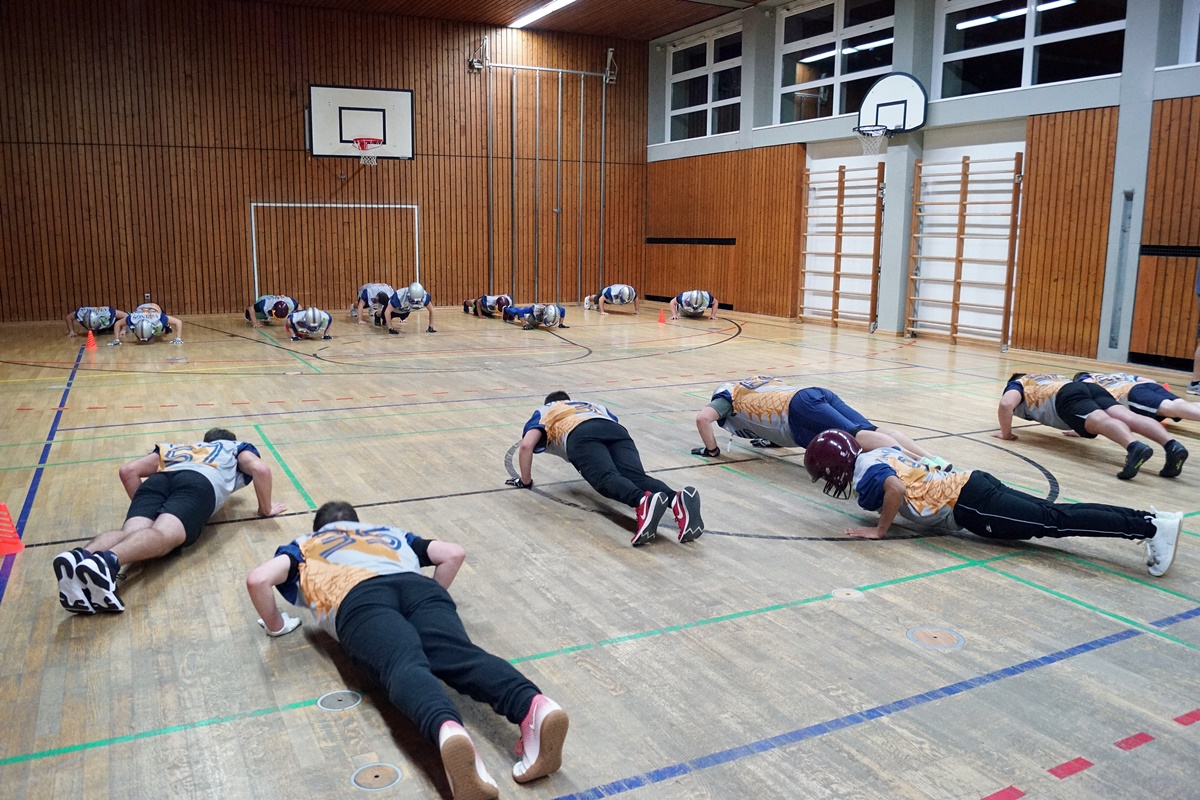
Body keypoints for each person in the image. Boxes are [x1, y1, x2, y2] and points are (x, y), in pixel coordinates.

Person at [246, 500, 569, 800]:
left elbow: (258, 580)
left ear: (319, 528)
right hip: (420, 590)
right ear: (356, 522)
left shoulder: (304, 544)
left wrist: (277, 625)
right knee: (462, 655)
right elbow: (453, 553)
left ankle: (447, 729)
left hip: (357, 598)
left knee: (403, 664)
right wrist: (427, 603)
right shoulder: (388, 533)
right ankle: (533, 706)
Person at [804, 429, 1183, 578]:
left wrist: (879, 530)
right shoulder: (876, 452)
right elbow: (890, 441)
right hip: (972, 482)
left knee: (1055, 521)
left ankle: (1150, 527)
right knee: (1055, 516)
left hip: (968, 503)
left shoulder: (866, 473)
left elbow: (895, 489)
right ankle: (1152, 521)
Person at [52, 428, 286, 615]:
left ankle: (80, 557)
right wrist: (265, 510)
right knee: (163, 536)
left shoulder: (178, 447)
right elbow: (261, 470)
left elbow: (128, 470)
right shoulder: (235, 447)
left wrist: (154, 516)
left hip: (157, 481)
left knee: (131, 533)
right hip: (198, 483)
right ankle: (107, 562)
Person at [510, 392, 703, 546]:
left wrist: (525, 481)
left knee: (605, 478)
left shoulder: (546, 410)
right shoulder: (590, 405)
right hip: (616, 431)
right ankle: (676, 499)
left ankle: (642, 501)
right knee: (635, 476)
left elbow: (526, 445)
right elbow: (612, 420)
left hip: (580, 433)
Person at [691, 376, 940, 463]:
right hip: (812, 394)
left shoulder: (727, 397)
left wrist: (712, 451)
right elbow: (766, 414)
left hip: (799, 408)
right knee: (871, 430)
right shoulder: (750, 385)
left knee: (857, 437)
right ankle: (932, 459)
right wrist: (770, 440)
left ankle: (918, 462)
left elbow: (703, 419)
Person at [996, 373, 1187, 479]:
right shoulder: (1049, 376)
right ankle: (1172, 445)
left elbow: (1006, 404)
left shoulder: (1019, 383)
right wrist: (1078, 429)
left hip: (1064, 395)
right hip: (1088, 387)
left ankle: (1133, 446)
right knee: (1129, 417)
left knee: (1099, 420)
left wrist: (1006, 434)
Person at [1075, 372, 1200, 434]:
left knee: (1171, 408)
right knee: (1182, 404)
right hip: (1147, 385)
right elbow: (1151, 381)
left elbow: (1089, 394)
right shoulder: (1116, 375)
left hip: (1129, 392)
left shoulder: (1084, 380)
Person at [111, 302, 183, 345]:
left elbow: (178, 322)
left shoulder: (160, 317)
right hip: (142, 309)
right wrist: (116, 339)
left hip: (155, 307)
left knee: (163, 326)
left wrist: (178, 338)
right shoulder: (132, 318)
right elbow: (117, 324)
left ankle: (167, 325)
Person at [501, 303, 569, 330]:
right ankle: (505, 308)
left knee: (519, 309)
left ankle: (511, 307)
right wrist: (524, 325)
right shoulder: (535, 309)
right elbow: (520, 312)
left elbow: (563, 309)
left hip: (536, 319)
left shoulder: (557, 310)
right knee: (517, 312)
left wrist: (561, 323)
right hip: (531, 317)